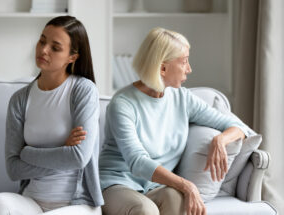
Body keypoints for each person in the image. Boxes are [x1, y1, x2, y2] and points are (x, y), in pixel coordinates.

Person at [99, 27, 250, 215]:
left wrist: (220, 140)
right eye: (184, 62)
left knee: (176, 199)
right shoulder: (122, 104)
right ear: (163, 68)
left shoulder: (182, 98)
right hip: (117, 184)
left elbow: (241, 128)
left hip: (155, 187)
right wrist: (186, 185)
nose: (189, 69)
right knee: (145, 210)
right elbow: (137, 161)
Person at [0, 16, 103, 215]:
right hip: (32, 200)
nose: (43, 50)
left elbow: (79, 158)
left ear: (72, 57)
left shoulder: (83, 90)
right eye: (42, 40)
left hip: (77, 204)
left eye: (55, 47)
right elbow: (14, 169)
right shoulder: (20, 99)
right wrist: (62, 149)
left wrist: (28, 153)